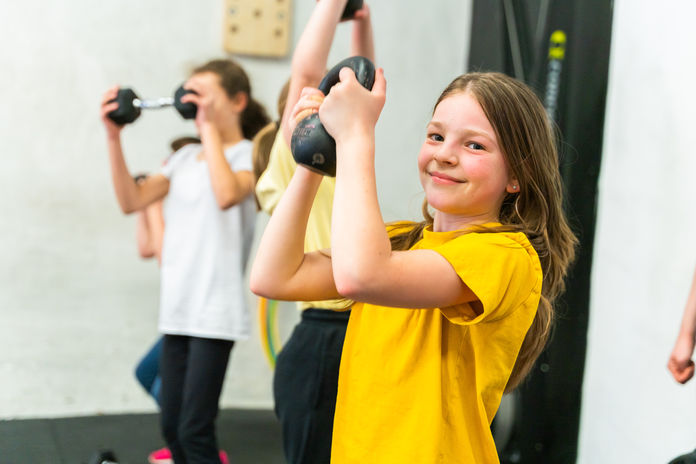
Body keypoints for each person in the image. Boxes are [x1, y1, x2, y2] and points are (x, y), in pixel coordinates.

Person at [250, 69, 578, 462]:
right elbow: (274, 276)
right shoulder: (401, 242)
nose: (444, 154)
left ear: (516, 177)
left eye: (475, 145)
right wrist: (313, 158)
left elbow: (361, 276)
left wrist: (356, 137)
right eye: (436, 136)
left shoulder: (506, 256)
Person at [100, 59, 269, 464]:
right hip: (177, 309)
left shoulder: (250, 155)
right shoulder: (182, 159)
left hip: (215, 313)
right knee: (172, 427)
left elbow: (227, 194)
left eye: (204, 95)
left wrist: (208, 128)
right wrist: (112, 138)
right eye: (190, 94)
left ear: (237, 101)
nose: (194, 103)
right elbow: (131, 201)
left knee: (194, 430)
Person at [252, 1, 374, 463]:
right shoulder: (294, 154)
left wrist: (361, 22)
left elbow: (365, 82)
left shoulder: (348, 158)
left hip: (361, 325)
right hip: (324, 333)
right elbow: (307, 71)